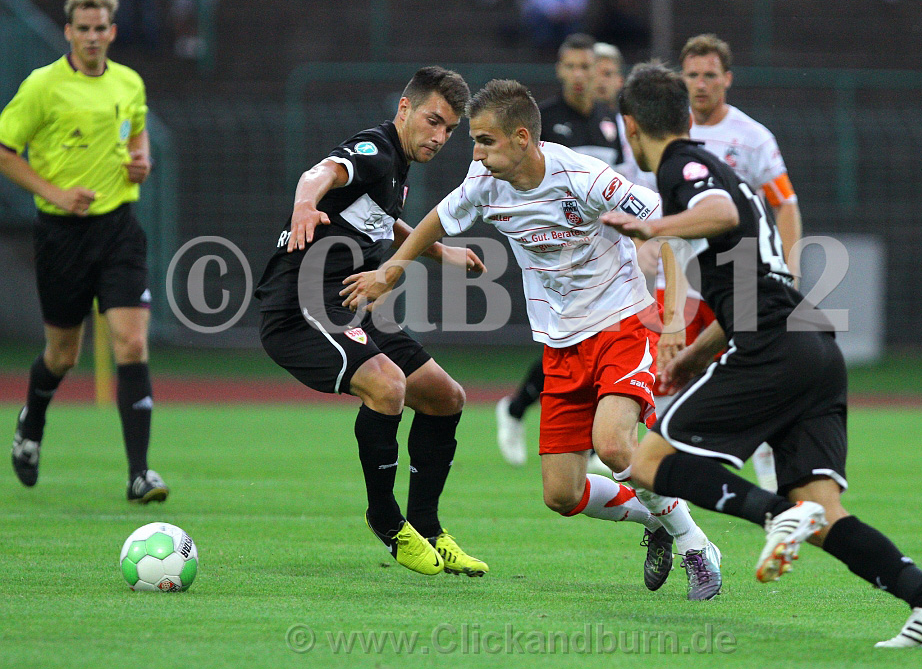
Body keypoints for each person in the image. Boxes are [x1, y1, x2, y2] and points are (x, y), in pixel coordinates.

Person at [604, 63, 922, 647]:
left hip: (774, 346)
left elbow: (720, 213)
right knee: (822, 511)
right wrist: (696, 354)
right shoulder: (717, 168)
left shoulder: (681, 165)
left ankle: (774, 516)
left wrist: (655, 228)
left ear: (630, 126)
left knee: (647, 461)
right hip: (811, 346)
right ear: (687, 114)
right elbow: (748, 290)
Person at [342, 79, 722, 599]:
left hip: (622, 324)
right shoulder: (484, 182)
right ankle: (654, 520)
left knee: (613, 445)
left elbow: (671, 226)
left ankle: (696, 545)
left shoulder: (585, 177)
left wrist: (673, 319)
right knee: (562, 495)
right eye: (473, 141)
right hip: (560, 343)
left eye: (485, 141)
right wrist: (391, 272)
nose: (476, 154)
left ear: (522, 138)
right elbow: (436, 221)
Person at [253, 67, 488, 578]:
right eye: (432, 121)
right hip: (299, 309)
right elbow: (323, 172)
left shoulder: (396, 167)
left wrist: (440, 251)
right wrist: (304, 204)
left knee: (446, 397)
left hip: (349, 306)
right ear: (405, 109)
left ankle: (428, 527)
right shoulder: (376, 149)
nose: (439, 137)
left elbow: (381, 216)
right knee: (387, 385)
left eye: (450, 129)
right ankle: (385, 518)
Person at [0, 0, 166, 504]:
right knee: (63, 354)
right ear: (69, 32)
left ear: (112, 32)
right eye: (83, 29)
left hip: (118, 229)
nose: (92, 37)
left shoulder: (128, 81)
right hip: (61, 236)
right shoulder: (43, 86)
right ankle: (31, 422)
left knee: (131, 344)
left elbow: (136, 133)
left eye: (100, 29)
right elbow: (5, 151)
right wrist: (55, 194)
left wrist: (142, 160)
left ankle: (140, 474)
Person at [495, 34, 633, 469]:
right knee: (574, 340)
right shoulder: (545, 122)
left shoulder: (611, 123)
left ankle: (532, 414)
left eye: (585, 67)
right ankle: (523, 411)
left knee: (589, 339)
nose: (578, 75)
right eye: (570, 66)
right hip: (555, 253)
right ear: (559, 69)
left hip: (601, 251)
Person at [681, 33, 804, 493]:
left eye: (710, 75)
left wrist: (789, 269)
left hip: (739, 272)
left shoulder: (752, 137)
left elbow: (784, 203)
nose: (701, 84)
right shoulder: (671, 131)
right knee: (674, 369)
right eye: (692, 75)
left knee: (749, 367)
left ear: (727, 79)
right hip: (681, 272)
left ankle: (768, 460)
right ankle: (664, 469)